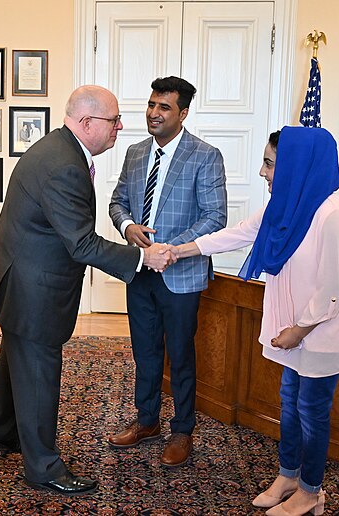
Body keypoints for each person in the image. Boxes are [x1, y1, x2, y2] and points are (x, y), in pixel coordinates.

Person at [0, 85, 174, 496]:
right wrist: (142, 259)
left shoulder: (58, 148)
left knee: (17, 354)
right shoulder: (65, 164)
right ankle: (43, 466)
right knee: (37, 371)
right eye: (114, 120)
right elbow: (82, 243)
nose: (121, 127)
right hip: (32, 286)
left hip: (15, 273)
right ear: (86, 123)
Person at [171, 127, 339, 515]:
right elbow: (238, 234)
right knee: (289, 403)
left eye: (269, 163)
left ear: (295, 165)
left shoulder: (332, 214)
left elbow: (332, 288)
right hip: (293, 331)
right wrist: (179, 250)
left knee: (312, 410)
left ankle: (312, 492)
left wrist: (298, 330)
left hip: (320, 332)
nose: (263, 172)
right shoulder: (285, 204)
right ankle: (288, 476)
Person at [107, 76, 227, 467]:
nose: (154, 113)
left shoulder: (205, 155)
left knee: (179, 354)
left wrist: (172, 250)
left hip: (182, 274)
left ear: (183, 113)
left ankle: (182, 430)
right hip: (139, 269)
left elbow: (215, 217)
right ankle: (147, 422)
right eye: (151, 104)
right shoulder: (136, 153)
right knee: (144, 351)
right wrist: (128, 228)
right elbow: (117, 202)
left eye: (164, 107)